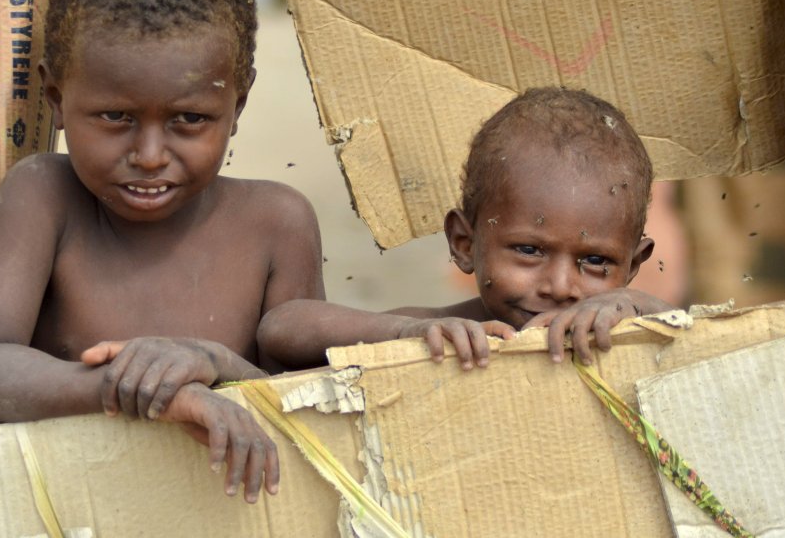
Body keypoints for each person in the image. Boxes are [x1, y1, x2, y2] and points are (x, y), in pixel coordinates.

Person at [0, 0, 325, 504]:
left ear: (236, 105)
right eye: (115, 117)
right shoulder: (44, 196)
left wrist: (214, 363)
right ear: (55, 97)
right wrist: (145, 393)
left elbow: (311, 412)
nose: (149, 155)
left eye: (189, 120)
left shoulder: (277, 222)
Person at [258, 87, 675, 370]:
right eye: (530, 251)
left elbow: (705, 346)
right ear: (464, 243)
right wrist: (407, 333)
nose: (561, 286)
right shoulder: (450, 333)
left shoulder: (632, 326)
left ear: (635, 263)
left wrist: (640, 308)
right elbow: (283, 328)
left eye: (596, 261)